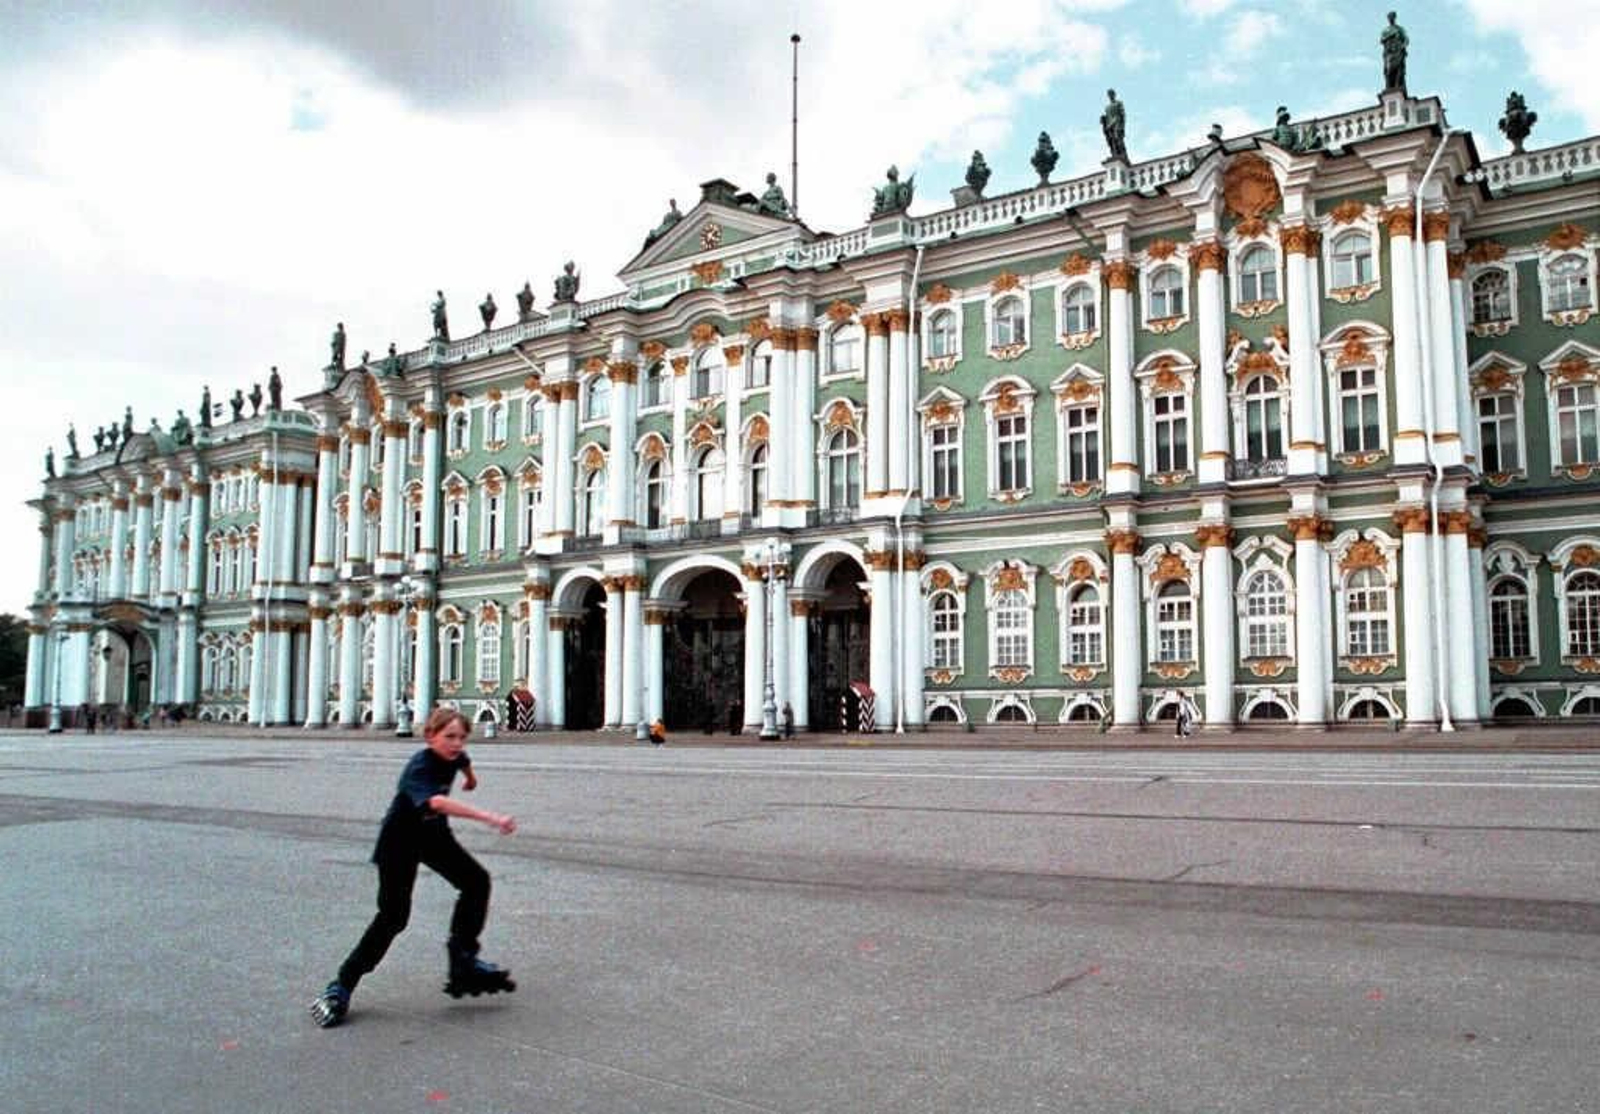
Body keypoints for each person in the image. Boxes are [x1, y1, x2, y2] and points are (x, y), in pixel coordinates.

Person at [310, 708, 518, 1028]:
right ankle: (340, 985)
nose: (456, 744)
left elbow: (463, 762)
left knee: (477, 881)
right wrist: (490, 817)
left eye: (462, 737)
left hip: (433, 836)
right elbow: (436, 802)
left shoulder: (455, 756)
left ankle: (463, 960)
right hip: (400, 842)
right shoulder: (419, 766)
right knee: (393, 918)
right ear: (429, 736)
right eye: (448, 737)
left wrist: (471, 779)